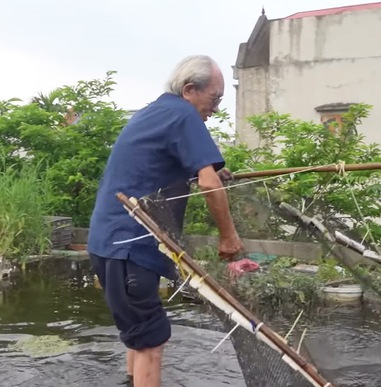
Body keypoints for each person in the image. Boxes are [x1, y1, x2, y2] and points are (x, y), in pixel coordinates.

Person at [87, 55, 244, 387]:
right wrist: (228, 237)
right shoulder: (184, 115)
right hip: (129, 245)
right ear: (189, 90)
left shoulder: (156, 112)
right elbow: (208, 183)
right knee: (152, 339)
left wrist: (212, 168)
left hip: (107, 244)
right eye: (214, 99)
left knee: (140, 334)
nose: (215, 109)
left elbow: (165, 164)